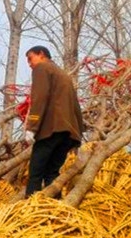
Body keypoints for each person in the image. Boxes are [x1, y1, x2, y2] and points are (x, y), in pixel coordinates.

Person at [23, 45, 85, 197]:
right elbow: (75, 105)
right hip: (67, 133)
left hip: (51, 130)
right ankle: (55, 208)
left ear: (42, 54)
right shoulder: (63, 74)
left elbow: (39, 97)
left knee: (35, 173)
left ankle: (30, 210)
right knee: (51, 174)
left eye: (31, 59)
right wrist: (79, 131)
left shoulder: (42, 69)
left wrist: (32, 127)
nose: (30, 64)